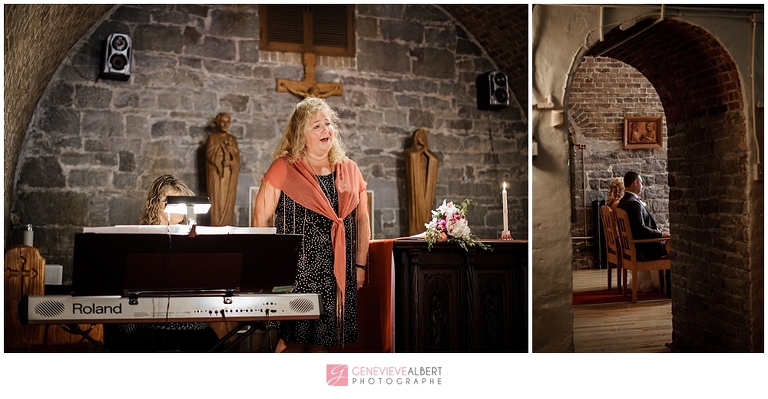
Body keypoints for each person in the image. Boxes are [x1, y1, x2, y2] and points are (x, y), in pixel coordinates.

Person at [252, 97, 370, 352]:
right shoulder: (284, 167)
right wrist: (268, 266)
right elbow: (261, 217)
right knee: (292, 342)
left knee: (324, 343)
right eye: (316, 126)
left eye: (328, 123)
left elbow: (362, 220)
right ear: (300, 134)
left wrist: (360, 265)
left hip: (336, 270)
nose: (326, 129)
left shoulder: (350, 170)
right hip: (297, 271)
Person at [107, 174, 221, 352]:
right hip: (142, 315)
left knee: (212, 344)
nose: (180, 208)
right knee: (144, 344)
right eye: (173, 202)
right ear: (156, 204)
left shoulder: (191, 239)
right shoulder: (138, 238)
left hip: (183, 316)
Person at [618, 171, 670, 293]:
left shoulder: (623, 202)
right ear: (635, 183)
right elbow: (641, 229)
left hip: (633, 246)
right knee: (670, 245)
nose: (642, 185)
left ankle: (657, 283)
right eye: (641, 182)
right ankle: (667, 287)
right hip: (643, 249)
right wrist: (661, 235)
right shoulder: (634, 204)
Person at [206, 112, 240, 226]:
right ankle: (215, 224)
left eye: (228, 122)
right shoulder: (212, 138)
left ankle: (227, 224)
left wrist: (230, 159)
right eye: (222, 121)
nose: (225, 125)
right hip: (216, 173)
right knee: (216, 199)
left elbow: (236, 159)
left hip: (229, 175)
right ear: (217, 122)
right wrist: (218, 164)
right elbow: (209, 155)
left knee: (227, 200)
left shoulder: (232, 139)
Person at [404, 128, 440, 236]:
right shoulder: (410, 153)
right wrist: (421, 151)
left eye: (424, 137)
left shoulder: (428, 155)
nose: (422, 139)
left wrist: (425, 152)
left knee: (427, 211)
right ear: (415, 138)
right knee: (416, 209)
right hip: (416, 184)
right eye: (420, 137)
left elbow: (435, 160)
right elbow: (412, 156)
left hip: (426, 184)